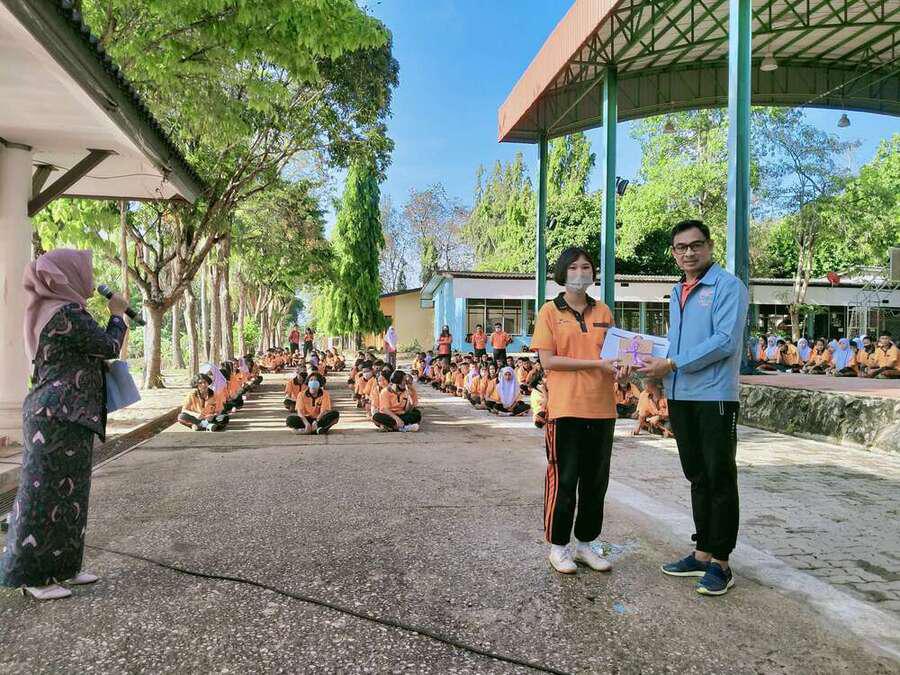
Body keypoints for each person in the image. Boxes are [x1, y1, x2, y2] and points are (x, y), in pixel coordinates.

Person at [1, 249, 129, 601]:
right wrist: (117, 315)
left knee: (71, 495)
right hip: (56, 417)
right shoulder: (64, 313)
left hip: (68, 415)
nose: (90, 278)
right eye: (84, 271)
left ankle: (65, 567)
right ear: (66, 274)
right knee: (43, 496)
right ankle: (33, 577)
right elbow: (108, 345)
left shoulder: (56, 310)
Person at [637, 220, 748, 597]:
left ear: (710, 246)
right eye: (681, 247)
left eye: (696, 245)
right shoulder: (677, 290)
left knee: (719, 477)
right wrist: (657, 377)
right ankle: (702, 553)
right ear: (673, 252)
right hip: (681, 394)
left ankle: (722, 563)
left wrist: (672, 364)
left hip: (714, 396)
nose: (689, 253)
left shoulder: (728, 286)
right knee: (697, 475)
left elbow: (725, 341)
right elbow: (675, 341)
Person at [530, 246, 630, 575]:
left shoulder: (603, 311)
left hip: (602, 409)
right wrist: (596, 364)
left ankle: (586, 545)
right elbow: (548, 360)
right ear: (562, 273)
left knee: (595, 482)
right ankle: (559, 547)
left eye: (586, 267)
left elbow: (614, 356)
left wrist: (623, 370)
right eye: (573, 267)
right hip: (566, 409)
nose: (580, 273)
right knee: (565, 479)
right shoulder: (549, 311)